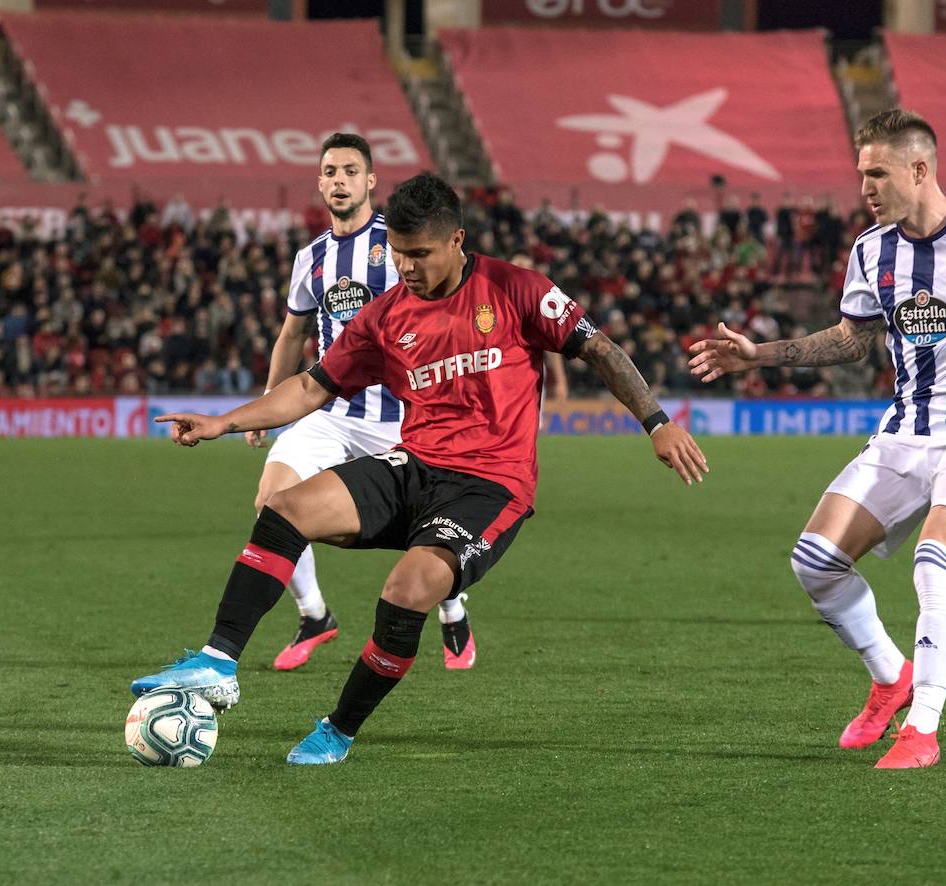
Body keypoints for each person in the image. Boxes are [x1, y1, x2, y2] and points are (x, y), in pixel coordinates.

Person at [132, 173, 709, 765]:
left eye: (419, 254)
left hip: (490, 488)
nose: (405, 267)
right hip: (413, 465)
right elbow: (310, 387)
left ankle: (339, 728)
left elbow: (601, 350)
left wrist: (657, 422)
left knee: (406, 592)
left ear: (457, 240)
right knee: (284, 508)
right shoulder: (385, 317)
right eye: (399, 254)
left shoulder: (517, 289)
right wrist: (223, 422)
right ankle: (219, 662)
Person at [689, 108, 946, 770]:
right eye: (861, 174)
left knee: (935, 564)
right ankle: (890, 676)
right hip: (904, 435)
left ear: (918, 168)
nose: (865, 188)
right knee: (814, 560)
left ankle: (924, 729)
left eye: (877, 173)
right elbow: (851, 338)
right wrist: (758, 355)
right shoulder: (871, 250)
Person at [242, 132, 417, 672]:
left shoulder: (403, 245)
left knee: (429, 522)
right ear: (320, 183)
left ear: (370, 181)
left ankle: (456, 609)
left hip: (402, 415)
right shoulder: (311, 258)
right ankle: (315, 614)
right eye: (330, 172)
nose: (339, 180)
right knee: (272, 503)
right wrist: (271, 405)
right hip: (331, 411)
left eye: (349, 171)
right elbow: (292, 336)